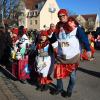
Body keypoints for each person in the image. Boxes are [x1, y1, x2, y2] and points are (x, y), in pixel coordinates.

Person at [51, 9, 91, 97]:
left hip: (73, 56)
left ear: (67, 15)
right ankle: (59, 88)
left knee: (72, 77)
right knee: (58, 74)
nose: (61, 17)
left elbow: (83, 38)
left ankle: (69, 91)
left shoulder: (74, 26)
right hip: (61, 56)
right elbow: (53, 39)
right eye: (59, 16)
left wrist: (88, 49)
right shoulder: (58, 27)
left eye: (63, 15)